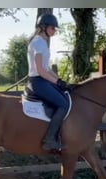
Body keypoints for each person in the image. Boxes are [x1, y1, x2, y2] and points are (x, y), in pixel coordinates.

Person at [27, 13, 69, 151]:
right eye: (52, 28)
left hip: (42, 80)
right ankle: (49, 140)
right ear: (44, 27)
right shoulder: (38, 42)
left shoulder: (43, 42)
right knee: (63, 104)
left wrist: (59, 80)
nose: (54, 30)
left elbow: (47, 68)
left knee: (64, 96)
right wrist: (56, 82)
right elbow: (40, 70)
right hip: (38, 82)